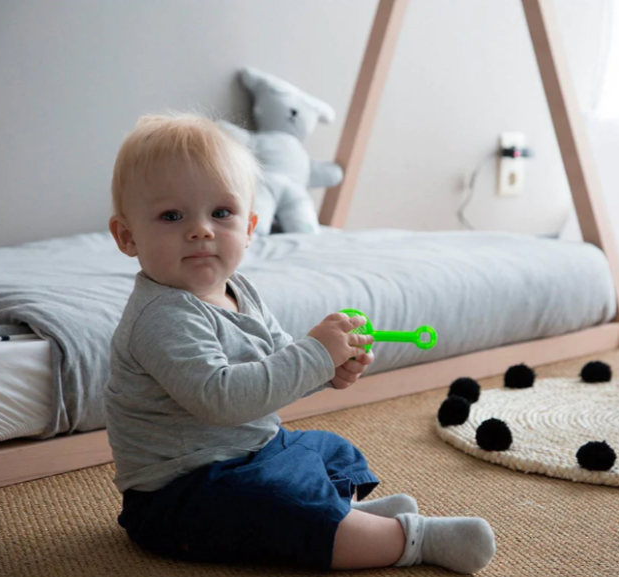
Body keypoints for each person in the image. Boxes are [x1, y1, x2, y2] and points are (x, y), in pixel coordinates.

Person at [104, 112, 496, 573]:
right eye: (172, 216)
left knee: (333, 451)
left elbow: (278, 369)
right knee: (273, 502)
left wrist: (329, 369)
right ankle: (409, 539)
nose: (201, 230)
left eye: (221, 213)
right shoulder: (162, 316)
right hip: (181, 493)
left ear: (249, 229)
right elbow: (223, 400)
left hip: (251, 451)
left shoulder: (239, 290)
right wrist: (314, 356)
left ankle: (343, 520)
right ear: (128, 236)